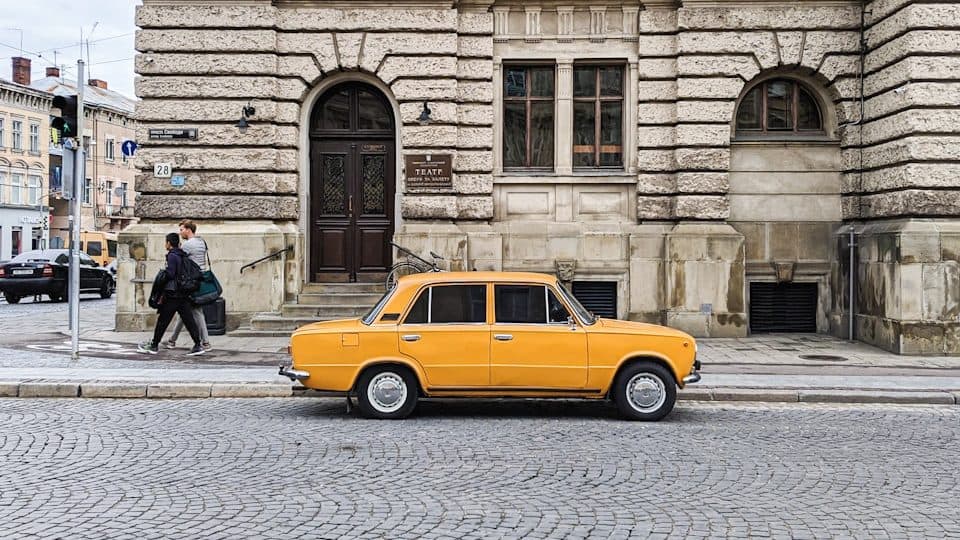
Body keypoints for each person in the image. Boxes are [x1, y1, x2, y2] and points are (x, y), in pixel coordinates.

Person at [137, 232, 205, 356]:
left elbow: (171, 273)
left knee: (163, 321)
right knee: (189, 320)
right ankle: (198, 344)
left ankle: (154, 345)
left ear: (168, 243)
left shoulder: (172, 256)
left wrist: (162, 276)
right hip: (183, 294)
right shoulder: (182, 255)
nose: (165, 244)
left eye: (166, 242)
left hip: (173, 294)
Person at [163, 219, 211, 350]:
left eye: (182, 229)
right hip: (200, 279)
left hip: (191, 281)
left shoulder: (188, 245)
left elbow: (177, 256)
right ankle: (172, 340)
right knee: (184, 311)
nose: (180, 233)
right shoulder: (202, 242)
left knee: (197, 311)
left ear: (188, 230)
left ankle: (205, 342)